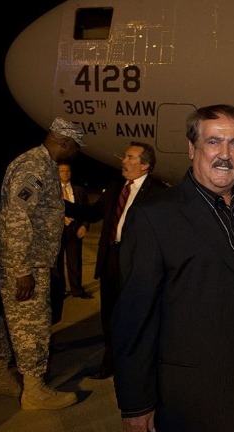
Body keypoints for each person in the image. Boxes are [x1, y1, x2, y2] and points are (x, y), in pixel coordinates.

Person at [112, 105, 234, 432]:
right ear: (192, 148)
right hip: (186, 396)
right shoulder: (155, 217)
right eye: (213, 142)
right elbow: (133, 319)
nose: (225, 154)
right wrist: (135, 403)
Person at [0, 118, 83, 410]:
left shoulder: (42, 164)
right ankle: (34, 391)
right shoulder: (34, 167)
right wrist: (23, 270)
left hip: (28, 259)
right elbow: (16, 217)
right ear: (64, 141)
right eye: (76, 145)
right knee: (32, 324)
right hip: (25, 263)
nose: (76, 152)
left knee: (10, 321)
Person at [65, 141, 167, 380]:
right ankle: (109, 362)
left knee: (137, 316)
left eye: (130, 158)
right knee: (109, 316)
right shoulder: (115, 187)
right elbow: (92, 213)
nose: (124, 161)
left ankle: (139, 366)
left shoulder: (158, 194)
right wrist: (61, 205)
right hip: (111, 257)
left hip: (138, 264)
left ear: (145, 166)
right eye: (124, 156)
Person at [52, 163, 90, 308]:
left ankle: (77, 290)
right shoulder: (52, 191)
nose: (65, 173)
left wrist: (84, 225)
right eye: (62, 171)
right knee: (57, 263)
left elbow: (87, 209)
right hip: (57, 231)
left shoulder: (79, 190)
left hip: (74, 231)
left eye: (68, 171)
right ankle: (60, 290)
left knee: (75, 262)